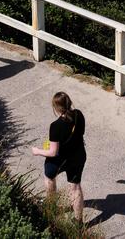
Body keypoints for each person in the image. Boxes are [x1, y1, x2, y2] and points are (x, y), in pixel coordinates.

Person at [31, 92, 86, 223]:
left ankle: (51, 207)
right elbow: (81, 133)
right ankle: (78, 222)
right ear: (69, 102)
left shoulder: (55, 126)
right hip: (78, 156)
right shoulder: (79, 114)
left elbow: (53, 152)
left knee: (49, 177)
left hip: (60, 160)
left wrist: (37, 151)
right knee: (75, 187)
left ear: (55, 108)